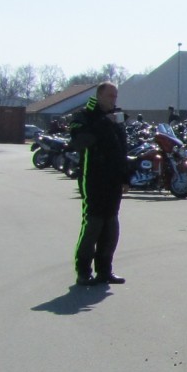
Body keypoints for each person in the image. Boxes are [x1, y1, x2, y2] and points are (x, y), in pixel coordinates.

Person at [68, 81, 131, 288]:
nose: (114, 99)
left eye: (115, 96)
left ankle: (105, 271)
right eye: (110, 96)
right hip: (93, 178)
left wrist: (125, 177)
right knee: (93, 225)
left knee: (111, 226)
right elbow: (80, 141)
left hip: (114, 179)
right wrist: (104, 122)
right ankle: (83, 272)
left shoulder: (117, 117)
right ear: (99, 96)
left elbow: (122, 148)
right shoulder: (84, 116)